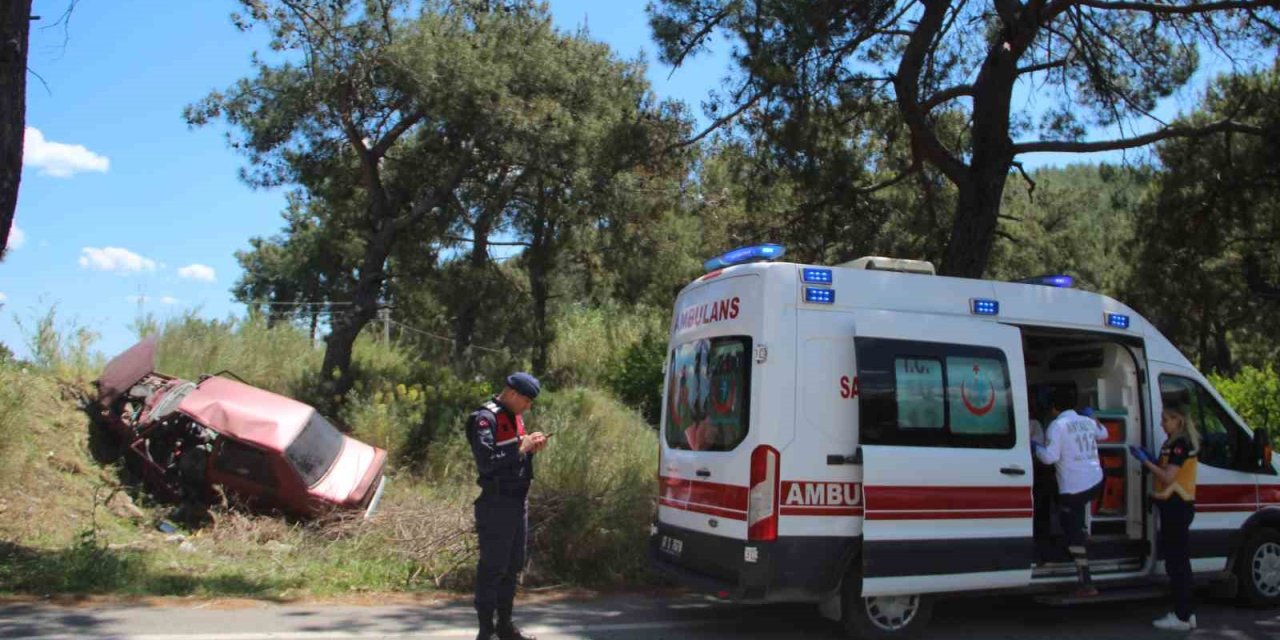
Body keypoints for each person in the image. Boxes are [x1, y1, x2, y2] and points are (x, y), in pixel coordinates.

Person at [466, 372, 548, 640]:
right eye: (526, 400)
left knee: (512, 568)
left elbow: (515, 455)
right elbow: (487, 461)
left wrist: (530, 447)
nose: (528, 406)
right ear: (512, 394)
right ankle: (485, 631)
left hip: (517, 503)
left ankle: (505, 627)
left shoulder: (515, 416)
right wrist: (520, 448)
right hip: (496, 504)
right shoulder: (484, 418)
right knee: (492, 569)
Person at [1130, 407, 1200, 631]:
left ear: (1178, 420)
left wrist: (1145, 462)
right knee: (1179, 561)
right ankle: (1186, 613)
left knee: (1177, 563)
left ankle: (1181, 616)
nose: (1162, 424)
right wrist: (1153, 459)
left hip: (1177, 507)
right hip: (1174, 507)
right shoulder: (1172, 442)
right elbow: (1166, 469)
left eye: (1166, 420)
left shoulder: (1181, 444)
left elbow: (1169, 477)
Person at [1033, 387, 1107, 597]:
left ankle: (1086, 581)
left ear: (1053, 407)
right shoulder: (1087, 421)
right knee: (1072, 517)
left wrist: (1035, 447)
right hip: (1095, 482)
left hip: (1073, 488)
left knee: (1070, 527)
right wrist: (1094, 417)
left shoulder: (1057, 426)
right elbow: (1104, 433)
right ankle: (1080, 535)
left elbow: (1049, 457)